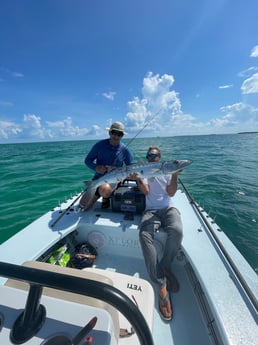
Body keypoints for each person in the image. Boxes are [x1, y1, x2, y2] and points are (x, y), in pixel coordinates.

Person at [133, 146, 183, 322]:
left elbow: (171, 192)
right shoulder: (145, 171)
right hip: (151, 210)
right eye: (149, 155)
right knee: (143, 235)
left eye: (154, 155)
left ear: (160, 157)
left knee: (176, 230)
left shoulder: (168, 170)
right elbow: (146, 192)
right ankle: (160, 282)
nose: (151, 157)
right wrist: (139, 179)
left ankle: (165, 266)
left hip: (168, 208)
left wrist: (175, 174)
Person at [78, 121, 133, 210]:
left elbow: (130, 167)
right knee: (83, 207)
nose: (116, 136)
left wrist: (119, 171)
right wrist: (96, 167)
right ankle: (97, 191)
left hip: (114, 180)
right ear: (109, 132)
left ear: (122, 136)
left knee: (105, 189)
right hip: (98, 179)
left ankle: (105, 197)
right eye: (114, 133)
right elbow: (87, 160)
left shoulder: (125, 150)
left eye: (119, 134)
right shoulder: (99, 145)